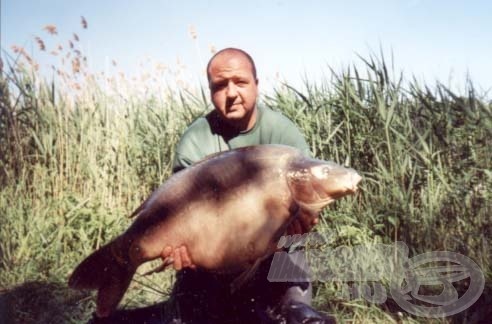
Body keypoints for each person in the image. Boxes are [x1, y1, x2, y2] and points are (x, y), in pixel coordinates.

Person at [91, 48, 333, 323]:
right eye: (220, 85)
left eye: (240, 82)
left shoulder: (282, 133)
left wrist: (303, 220)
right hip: (212, 260)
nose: (231, 93)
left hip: (270, 256)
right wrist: (179, 250)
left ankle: (293, 307)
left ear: (256, 84)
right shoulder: (196, 139)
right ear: (210, 91)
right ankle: (121, 273)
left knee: (293, 274)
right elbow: (175, 209)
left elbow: (307, 198)